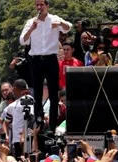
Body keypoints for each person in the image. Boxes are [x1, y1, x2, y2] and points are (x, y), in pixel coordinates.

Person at [20, 0, 72, 133]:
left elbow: (68, 27)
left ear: (47, 6)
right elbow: (23, 40)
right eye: (37, 5)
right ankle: (39, 121)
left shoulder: (54, 19)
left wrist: (60, 23)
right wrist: (32, 28)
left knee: (54, 93)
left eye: (41, 4)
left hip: (50, 59)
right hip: (36, 60)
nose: (39, 7)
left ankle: (53, 126)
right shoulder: (31, 22)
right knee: (37, 92)